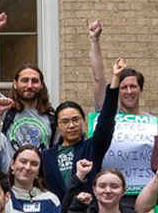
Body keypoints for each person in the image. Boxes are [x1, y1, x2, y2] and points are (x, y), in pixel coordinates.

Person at [37, 59, 123, 202]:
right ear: (57, 126)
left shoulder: (92, 148)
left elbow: (106, 120)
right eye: (65, 122)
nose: (71, 125)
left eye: (76, 120)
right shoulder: (46, 157)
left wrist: (116, 79)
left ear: (83, 122)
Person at [0, 12, 55, 152]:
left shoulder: (52, 118)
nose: (29, 85)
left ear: (41, 85)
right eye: (24, 80)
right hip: (9, 173)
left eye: (35, 81)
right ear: (15, 83)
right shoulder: (4, 109)